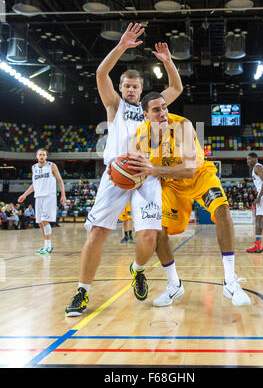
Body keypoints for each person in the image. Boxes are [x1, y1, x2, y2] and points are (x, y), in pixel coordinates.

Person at [65, 22, 183, 317]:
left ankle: (138, 269)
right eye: (127, 85)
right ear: (121, 88)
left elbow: (176, 88)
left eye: (136, 86)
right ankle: (82, 291)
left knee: (148, 237)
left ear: (142, 90)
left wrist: (168, 62)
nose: (131, 89)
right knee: (97, 234)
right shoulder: (114, 105)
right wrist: (121, 46)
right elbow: (100, 73)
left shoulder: (151, 107)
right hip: (116, 174)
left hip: (145, 175)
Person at [128, 92, 251, 307]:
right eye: (156, 110)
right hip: (170, 186)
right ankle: (174, 285)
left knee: (222, 209)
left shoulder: (183, 126)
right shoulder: (140, 135)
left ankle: (230, 280)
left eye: (164, 107)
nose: (163, 113)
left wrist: (152, 169)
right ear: (145, 114)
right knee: (159, 231)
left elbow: (188, 170)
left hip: (198, 176)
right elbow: (132, 166)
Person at [17, 148, 66, 254]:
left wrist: (63, 195)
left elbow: (60, 180)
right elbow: (34, 185)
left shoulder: (51, 166)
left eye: (44, 154)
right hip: (38, 197)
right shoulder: (34, 167)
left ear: (46, 156)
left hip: (49, 196)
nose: (42, 156)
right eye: (40, 154)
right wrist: (24, 195)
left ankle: (49, 245)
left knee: (45, 220)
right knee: (40, 223)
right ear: (37, 156)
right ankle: (45, 245)